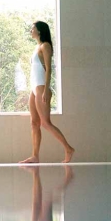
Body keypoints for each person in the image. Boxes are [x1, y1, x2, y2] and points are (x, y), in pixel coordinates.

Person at [20, 21, 75, 164]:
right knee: (34, 123)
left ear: (39, 31)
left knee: (45, 123)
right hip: (34, 88)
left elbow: (49, 69)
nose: (31, 30)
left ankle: (68, 149)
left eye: (33, 28)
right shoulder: (37, 47)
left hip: (41, 87)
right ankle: (35, 156)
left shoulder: (45, 46)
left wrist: (45, 90)